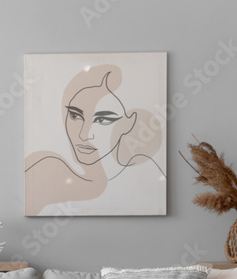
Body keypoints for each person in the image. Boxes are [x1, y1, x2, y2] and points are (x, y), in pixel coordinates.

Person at [25, 64, 165, 216]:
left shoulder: (149, 180)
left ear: (128, 123)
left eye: (102, 119)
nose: (84, 135)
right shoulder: (44, 167)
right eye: (75, 116)